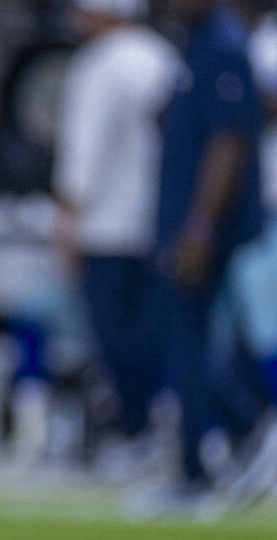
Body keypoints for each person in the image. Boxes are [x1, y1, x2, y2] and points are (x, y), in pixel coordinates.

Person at [52, 0, 178, 477]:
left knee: (112, 338)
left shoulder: (98, 64)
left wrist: (68, 220)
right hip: (156, 224)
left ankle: (135, 431)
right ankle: (153, 427)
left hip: (104, 226)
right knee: (150, 335)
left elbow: (84, 150)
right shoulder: (162, 56)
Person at [150, 0, 266, 501]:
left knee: (194, 346)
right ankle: (216, 453)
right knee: (187, 345)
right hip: (186, 225)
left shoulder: (223, 44)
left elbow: (228, 142)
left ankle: (217, 455)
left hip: (207, 232)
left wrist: (198, 227)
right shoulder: (197, 43)